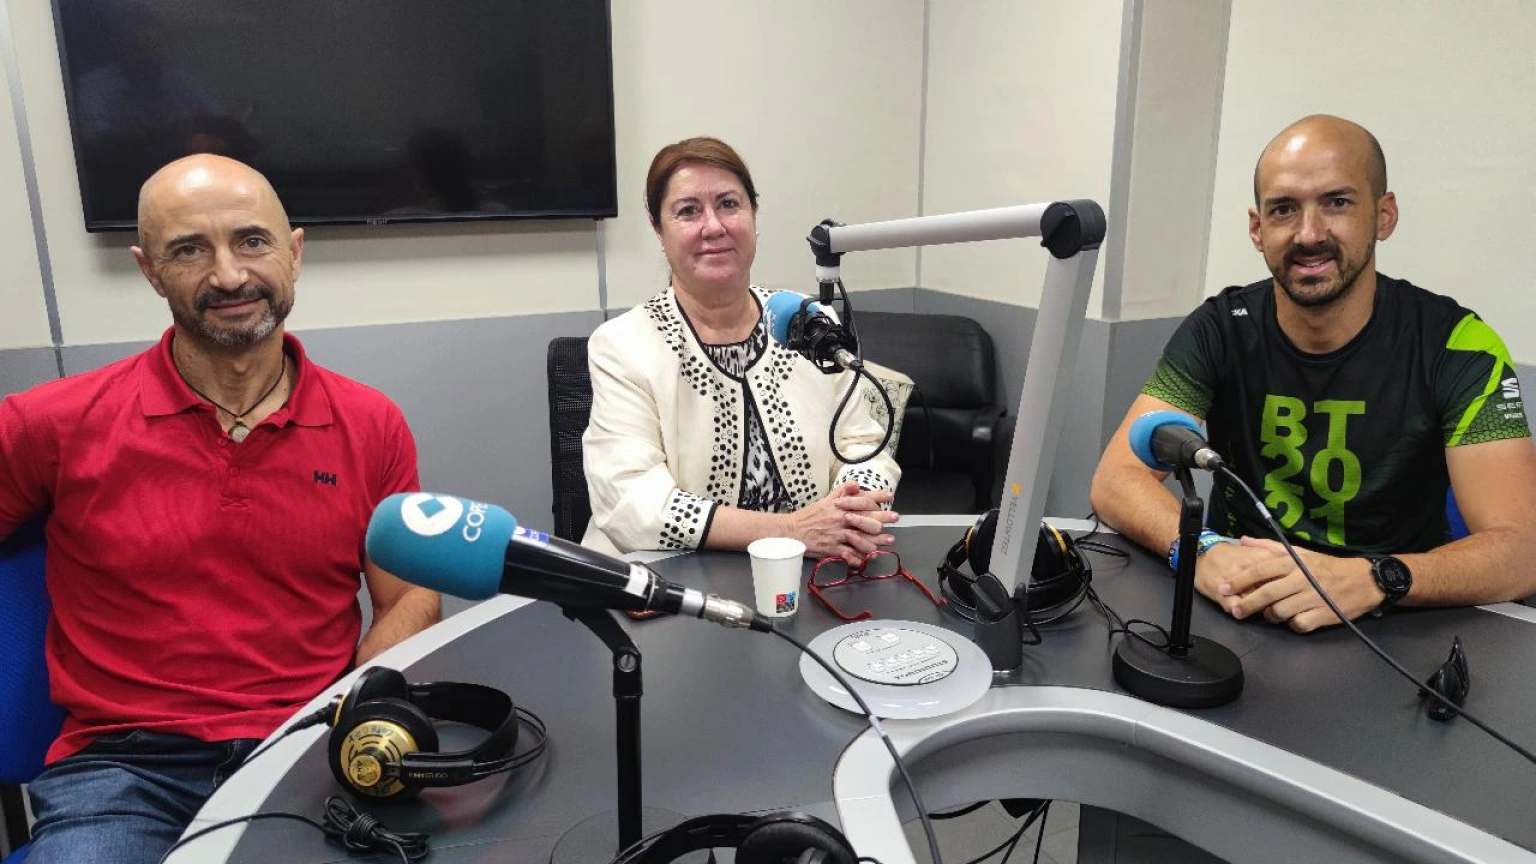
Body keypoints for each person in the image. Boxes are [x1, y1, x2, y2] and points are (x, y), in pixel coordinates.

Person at [0, 154, 440, 863]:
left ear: (294, 253)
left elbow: (410, 593)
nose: (230, 275)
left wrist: (357, 710)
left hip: (305, 750)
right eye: (189, 250)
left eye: (251, 241)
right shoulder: (47, 424)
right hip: (125, 770)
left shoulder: (370, 422)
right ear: (150, 271)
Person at [1090, 114, 1536, 633]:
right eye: (1284, 209)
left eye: (1337, 202)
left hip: (1394, 623)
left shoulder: (1457, 344)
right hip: (1240, 608)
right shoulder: (1221, 328)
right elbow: (1116, 479)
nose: (1308, 234)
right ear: (1257, 229)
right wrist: (1203, 550)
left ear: (1384, 215)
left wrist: (1376, 578)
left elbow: (1522, 549)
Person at [582, 137, 901, 564]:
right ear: (659, 230)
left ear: (753, 216)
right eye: (688, 211)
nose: (713, 226)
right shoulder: (623, 345)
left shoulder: (811, 322)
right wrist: (793, 532)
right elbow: (632, 502)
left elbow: (862, 444)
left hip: (810, 571)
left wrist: (850, 511)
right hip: (673, 578)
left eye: (729, 204)